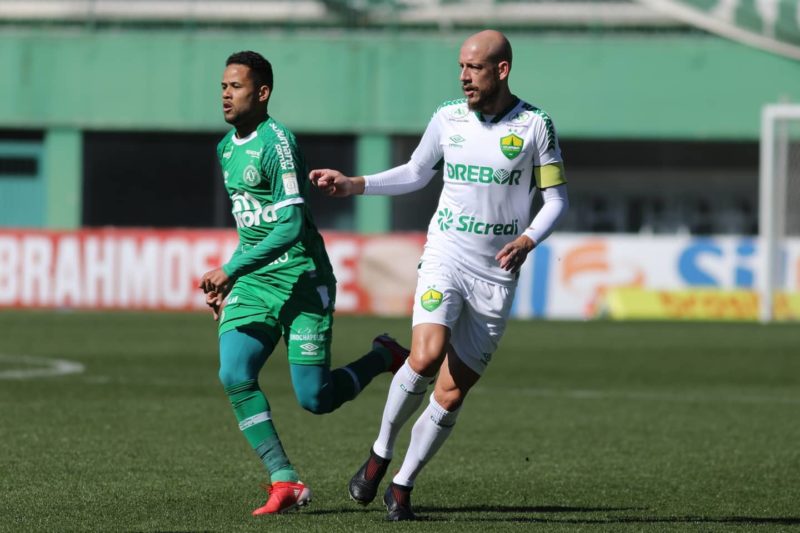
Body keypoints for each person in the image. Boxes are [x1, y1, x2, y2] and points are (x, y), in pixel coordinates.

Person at [309, 30, 569, 521]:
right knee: (425, 355)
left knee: (451, 393)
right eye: (461, 67)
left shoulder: (536, 125)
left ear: (502, 70)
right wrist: (354, 184)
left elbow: (556, 199)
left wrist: (528, 239)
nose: (464, 77)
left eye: (474, 68)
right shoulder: (448, 117)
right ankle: (380, 453)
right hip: (445, 255)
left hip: (496, 276)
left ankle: (403, 485)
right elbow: (415, 172)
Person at [198, 50, 409, 517]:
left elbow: (291, 225)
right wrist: (233, 276)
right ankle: (284, 478)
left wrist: (230, 269)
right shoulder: (225, 148)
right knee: (234, 374)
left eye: (236, 86)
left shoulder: (278, 143)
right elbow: (251, 225)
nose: (226, 95)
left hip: (301, 276)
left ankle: (383, 356)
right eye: (223, 87)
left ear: (263, 92)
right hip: (255, 283)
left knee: (315, 399)